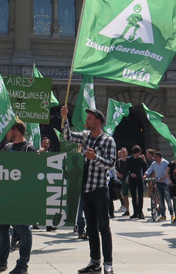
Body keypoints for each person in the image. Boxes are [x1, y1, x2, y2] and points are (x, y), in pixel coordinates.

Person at [60, 105, 117, 274]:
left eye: (90, 118)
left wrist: (95, 157)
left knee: (104, 227)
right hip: (85, 189)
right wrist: (65, 119)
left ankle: (108, 263)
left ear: (98, 121)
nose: (87, 121)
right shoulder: (85, 137)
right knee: (91, 227)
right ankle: (94, 261)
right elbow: (67, 136)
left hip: (99, 188)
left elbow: (111, 163)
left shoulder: (108, 140)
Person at [0, 120, 35, 274]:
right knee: (2, 229)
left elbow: (32, 172)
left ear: (16, 130)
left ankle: (22, 265)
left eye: (8, 130)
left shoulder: (29, 149)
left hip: (20, 197)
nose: (6, 134)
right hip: (5, 197)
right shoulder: (7, 147)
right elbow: (0, 169)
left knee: (23, 231)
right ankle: (1, 260)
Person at [145, 151, 173, 221]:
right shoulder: (154, 163)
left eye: (155, 157)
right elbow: (149, 170)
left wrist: (164, 177)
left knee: (168, 200)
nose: (154, 158)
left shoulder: (165, 162)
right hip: (158, 182)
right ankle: (163, 215)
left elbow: (168, 171)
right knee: (160, 200)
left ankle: (172, 214)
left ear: (159, 157)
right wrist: (145, 175)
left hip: (165, 183)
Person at [125, 145, 148, 219]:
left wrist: (145, 175)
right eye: (138, 153)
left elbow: (145, 168)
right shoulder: (129, 159)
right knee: (133, 196)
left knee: (141, 196)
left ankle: (140, 212)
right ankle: (135, 212)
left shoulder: (141, 159)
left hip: (139, 179)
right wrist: (130, 173)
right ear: (135, 152)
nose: (139, 154)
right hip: (132, 179)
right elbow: (126, 170)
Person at [114, 148, 130, 217]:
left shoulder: (129, 160)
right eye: (122, 152)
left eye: (124, 152)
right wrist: (118, 174)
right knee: (125, 196)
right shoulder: (118, 161)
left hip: (130, 179)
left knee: (135, 195)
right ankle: (127, 210)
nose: (123, 154)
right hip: (123, 180)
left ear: (127, 153)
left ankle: (137, 210)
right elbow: (114, 169)